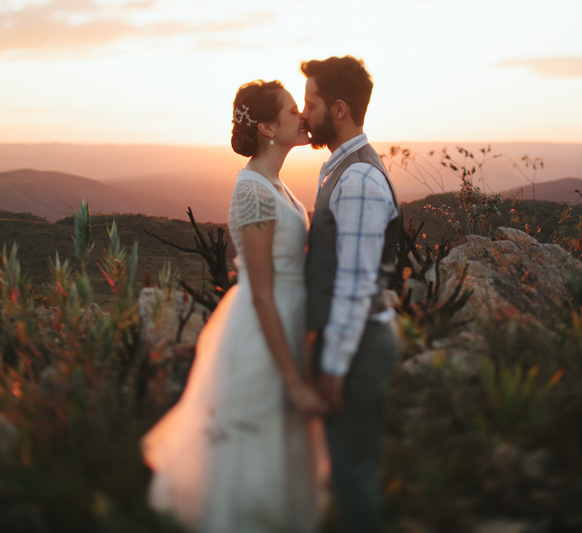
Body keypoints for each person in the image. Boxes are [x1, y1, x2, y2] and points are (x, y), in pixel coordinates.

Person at [141, 79, 328, 533]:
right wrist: (293, 379)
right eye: (290, 111)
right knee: (253, 452)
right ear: (267, 127)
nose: (302, 117)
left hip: (288, 320)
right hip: (263, 333)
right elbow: (261, 292)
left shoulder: (276, 183)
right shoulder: (252, 190)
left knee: (281, 453)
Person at [300, 56, 402, 533]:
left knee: (353, 476)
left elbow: (355, 285)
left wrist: (334, 367)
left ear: (338, 109)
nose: (304, 114)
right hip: (352, 344)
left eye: (311, 102)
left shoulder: (358, 178)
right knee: (346, 472)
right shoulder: (340, 167)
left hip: (357, 351)